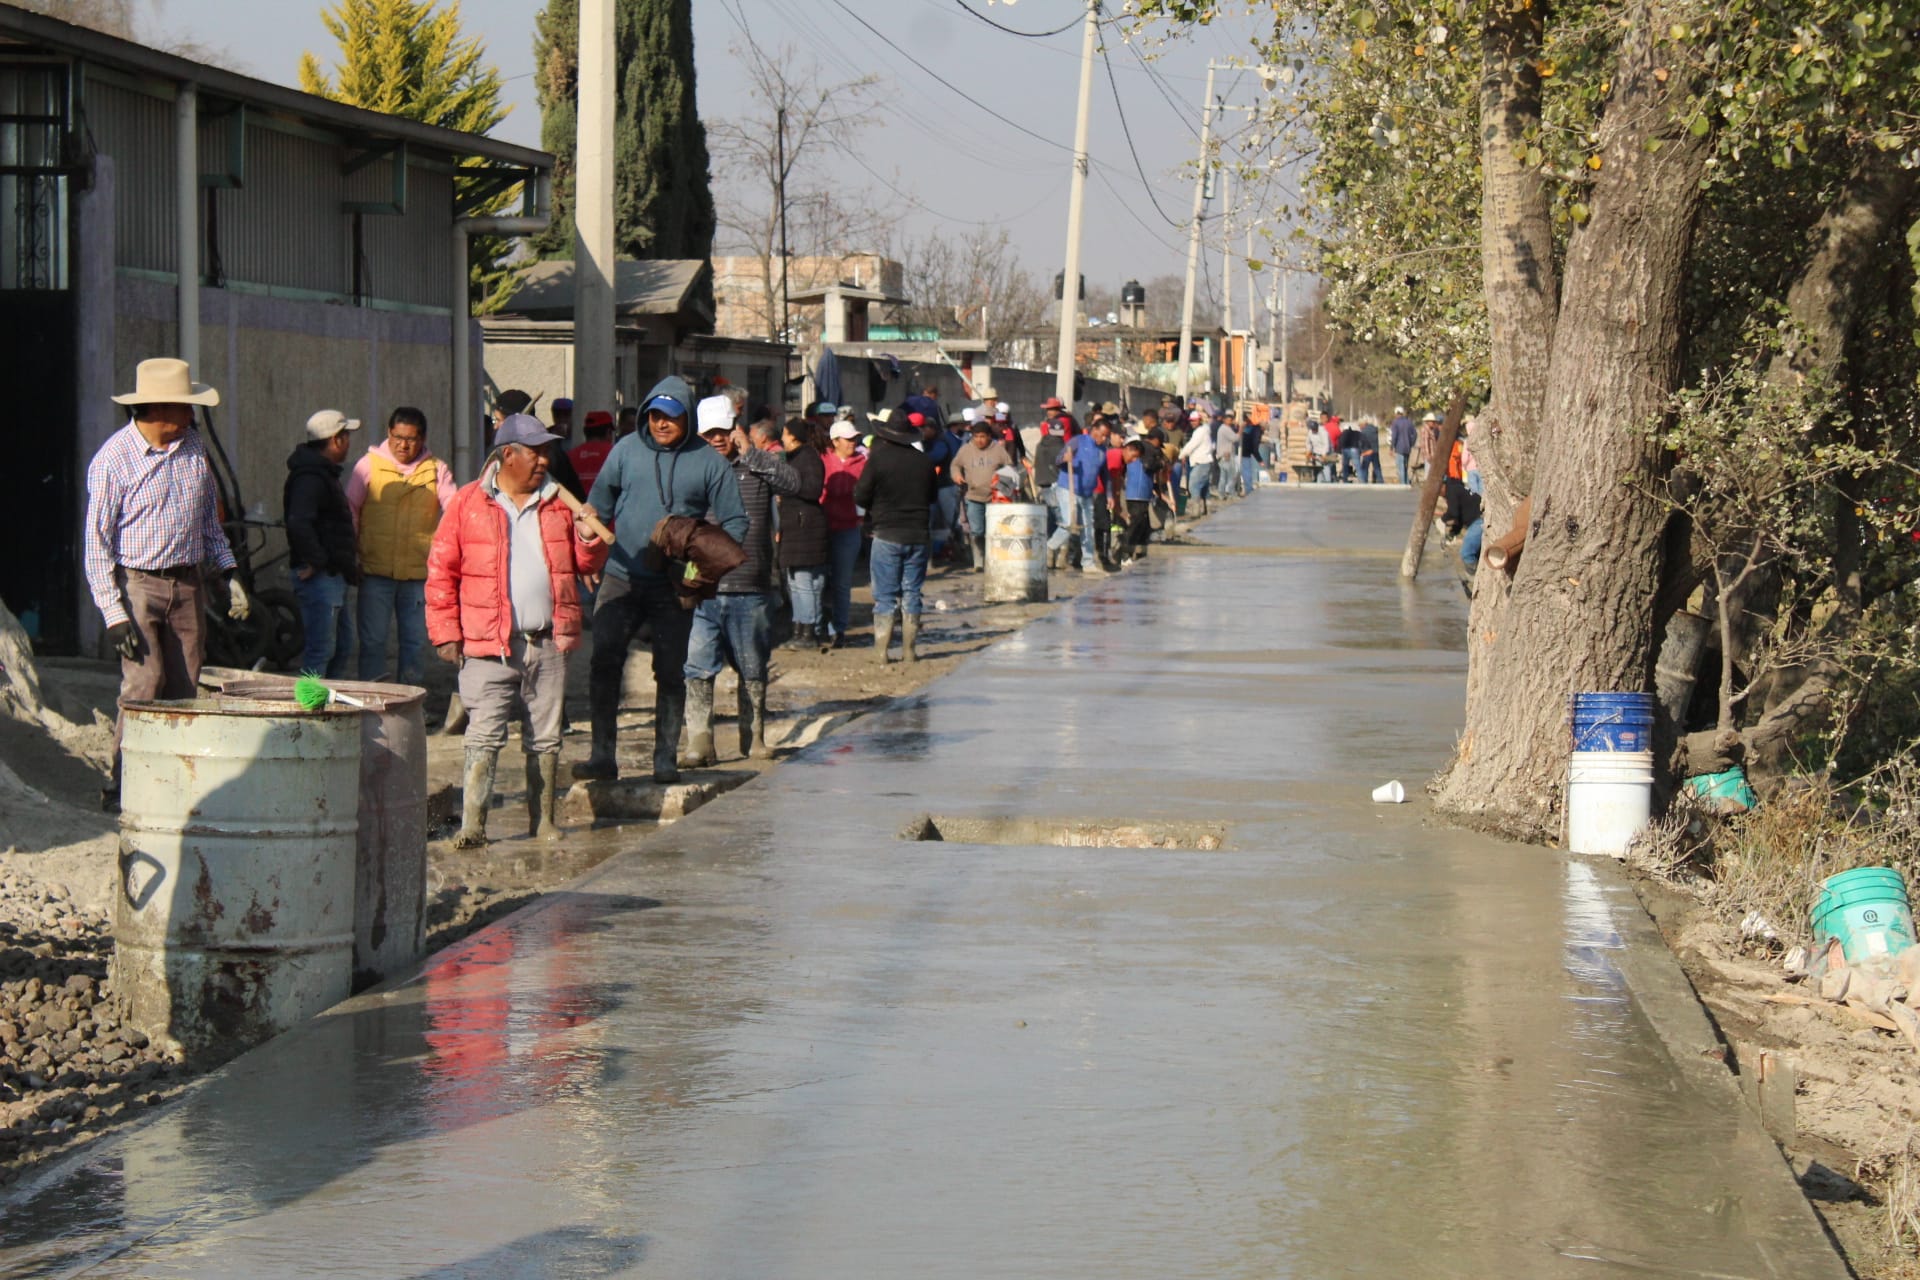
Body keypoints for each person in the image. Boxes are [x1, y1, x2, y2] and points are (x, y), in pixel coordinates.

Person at [427, 414, 607, 847]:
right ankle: (474, 826)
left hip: (546, 640)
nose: (545, 460)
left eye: (548, 452)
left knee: (545, 737)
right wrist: (445, 632)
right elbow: (440, 572)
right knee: (484, 734)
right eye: (536, 452)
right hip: (488, 641)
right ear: (507, 455)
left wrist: (588, 538)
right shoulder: (469, 504)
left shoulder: (560, 505)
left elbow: (587, 567)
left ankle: (542, 820)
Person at [84, 357, 246, 810]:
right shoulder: (113, 462)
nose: (192, 416)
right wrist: (114, 615)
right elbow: (96, 545)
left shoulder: (194, 448)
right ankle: (123, 785)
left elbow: (208, 524)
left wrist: (228, 571)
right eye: (184, 407)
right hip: (138, 584)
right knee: (143, 684)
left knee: (186, 685)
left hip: (188, 584)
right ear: (158, 409)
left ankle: (172, 781)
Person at [577, 375, 748, 785]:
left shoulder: (709, 462)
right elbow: (597, 506)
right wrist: (588, 536)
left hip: (675, 584)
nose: (661, 424)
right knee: (604, 660)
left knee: (671, 671)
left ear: (686, 417)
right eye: (655, 416)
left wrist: (701, 567)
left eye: (670, 417)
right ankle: (602, 756)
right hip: (621, 575)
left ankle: (665, 758)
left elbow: (736, 521)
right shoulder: (625, 451)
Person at [681, 402, 802, 766]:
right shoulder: (691, 470)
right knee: (698, 666)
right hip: (704, 586)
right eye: (710, 434)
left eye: (724, 431)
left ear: (736, 430)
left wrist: (754, 454)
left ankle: (755, 738)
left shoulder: (756, 465)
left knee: (752, 666)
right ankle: (700, 743)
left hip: (750, 584)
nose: (718, 439)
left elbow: (794, 483)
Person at [347, 406, 455, 685]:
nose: (403, 445)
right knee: (372, 642)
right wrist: (351, 557)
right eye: (398, 437)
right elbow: (351, 511)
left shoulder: (436, 471)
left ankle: (410, 706)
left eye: (411, 439)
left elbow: (454, 513)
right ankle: (371, 703)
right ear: (388, 433)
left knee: (415, 643)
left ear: (423, 439)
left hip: (419, 575)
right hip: (374, 571)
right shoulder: (368, 466)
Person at [854, 409, 938, 662]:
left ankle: (881, 653)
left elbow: (860, 495)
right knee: (912, 592)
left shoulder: (878, 460)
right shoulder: (924, 462)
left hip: (887, 533)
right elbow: (932, 497)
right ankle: (909, 651)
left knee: (885, 596)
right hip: (919, 534)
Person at [285, 408, 363, 678]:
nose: (348, 443)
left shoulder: (321, 474)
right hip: (322, 578)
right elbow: (299, 522)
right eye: (346, 436)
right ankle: (308, 712)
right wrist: (317, 561)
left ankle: (329, 709)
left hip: (332, 575)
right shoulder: (310, 477)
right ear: (336, 440)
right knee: (321, 651)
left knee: (340, 647)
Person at [778, 416, 830, 650]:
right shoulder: (799, 457)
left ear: (793, 436)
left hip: (804, 527)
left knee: (803, 582)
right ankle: (803, 628)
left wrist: (787, 486)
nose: (781, 438)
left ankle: (808, 631)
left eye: (785, 434)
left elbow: (812, 489)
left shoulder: (807, 458)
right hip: (797, 525)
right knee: (798, 582)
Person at [821, 420, 867, 647]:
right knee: (818, 581)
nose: (852, 443)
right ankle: (818, 625)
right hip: (823, 528)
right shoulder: (823, 461)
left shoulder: (862, 463)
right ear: (835, 441)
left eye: (854, 438)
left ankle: (838, 628)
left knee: (842, 581)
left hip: (849, 528)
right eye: (848, 439)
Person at [951, 419, 1012, 574]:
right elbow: (955, 465)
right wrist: (957, 476)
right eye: (976, 436)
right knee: (977, 531)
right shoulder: (965, 450)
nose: (979, 440)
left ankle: (993, 560)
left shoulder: (998, 450)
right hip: (972, 496)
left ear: (989, 436)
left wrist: (1003, 486)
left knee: (994, 531)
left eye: (983, 436)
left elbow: (1009, 467)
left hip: (994, 499)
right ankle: (979, 561)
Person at [1061, 416, 1109, 571]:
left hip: (1087, 493)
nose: (1104, 438)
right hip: (1069, 489)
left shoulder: (1102, 450)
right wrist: (1064, 459)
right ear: (1094, 430)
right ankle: (1050, 548)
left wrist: (1109, 495)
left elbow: (1105, 474)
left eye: (1106, 436)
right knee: (1069, 523)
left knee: (1088, 528)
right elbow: (1058, 460)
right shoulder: (1078, 441)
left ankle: (1088, 563)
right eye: (1102, 434)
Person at [1118, 437, 1156, 565]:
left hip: (1143, 496)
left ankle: (1139, 551)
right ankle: (1125, 553)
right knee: (1135, 524)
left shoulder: (1144, 460)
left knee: (1142, 525)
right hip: (1135, 496)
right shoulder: (1136, 462)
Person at [1439, 475, 1484, 573]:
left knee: (1466, 553)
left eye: (1438, 492)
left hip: (1479, 520)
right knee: (1477, 554)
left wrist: (1442, 520)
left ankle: (1474, 578)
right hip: (1478, 518)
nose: (1440, 495)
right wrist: (1452, 533)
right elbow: (1459, 517)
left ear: (1442, 486)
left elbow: (1453, 513)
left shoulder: (1452, 492)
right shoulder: (1455, 488)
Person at [570, 410, 616, 495]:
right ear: (608, 432)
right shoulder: (616, 453)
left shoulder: (570, 455)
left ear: (585, 432)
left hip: (577, 506)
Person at [1178, 414, 1216, 512]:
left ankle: (1196, 509)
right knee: (1203, 487)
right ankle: (1207, 508)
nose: (1192, 423)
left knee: (1193, 485)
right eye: (1191, 421)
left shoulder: (1200, 432)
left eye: (1195, 420)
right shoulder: (1205, 430)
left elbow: (1191, 445)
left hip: (1202, 461)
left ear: (1200, 420)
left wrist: (1181, 455)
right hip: (1204, 461)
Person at [1389, 407, 1418, 486]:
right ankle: (1407, 483)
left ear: (1396, 413)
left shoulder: (1395, 423)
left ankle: (1403, 485)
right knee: (1405, 467)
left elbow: (1394, 436)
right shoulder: (1409, 422)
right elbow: (1415, 434)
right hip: (1407, 448)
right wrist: (1411, 443)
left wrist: (1391, 447)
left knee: (1400, 468)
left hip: (1399, 448)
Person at [1307, 417, 1335, 483]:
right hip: (1316, 453)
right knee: (1318, 469)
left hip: (1326, 453)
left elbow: (1326, 444)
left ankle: (1328, 481)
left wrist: (1324, 454)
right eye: (1312, 429)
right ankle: (1319, 482)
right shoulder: (1310, 432)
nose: (1314, 431)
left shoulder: (1323, 432)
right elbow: (1308, 443)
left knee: (1326, 467)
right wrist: (1308, 451)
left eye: (1315, 429)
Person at [1240, 413, 1264, 491]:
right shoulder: (1257, 431)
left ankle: (1247, 488)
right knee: (1247, 471)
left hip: (1243, 451)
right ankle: (1248, 489)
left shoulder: (1251, 428)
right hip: (1245, 452)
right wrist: (1260, 460)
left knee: (1245, 470)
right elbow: (1255, 447)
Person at [1337, 419, 1365, 483]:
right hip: (1355, 449)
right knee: (1358, 466)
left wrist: (1339, 451)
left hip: (1346, 450)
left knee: (1345, 466)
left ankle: (1345, 480)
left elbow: (1340, 442)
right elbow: (1362, 441)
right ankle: (1362, 481)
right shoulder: (1357, 433)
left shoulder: (1343, 434)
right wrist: (1360, 450)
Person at [1358, 417, 1384, 484]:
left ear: (1363, 424)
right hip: (1375, 451)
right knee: (1377, 468)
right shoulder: (1374, 429)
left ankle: (1364, 482)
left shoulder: (1364, 431)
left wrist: (1360, 451)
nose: (1359, 427)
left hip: (1367, 452)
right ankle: (1380, 481)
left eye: (1360, 425)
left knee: (1364, 468)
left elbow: (1361, 442)